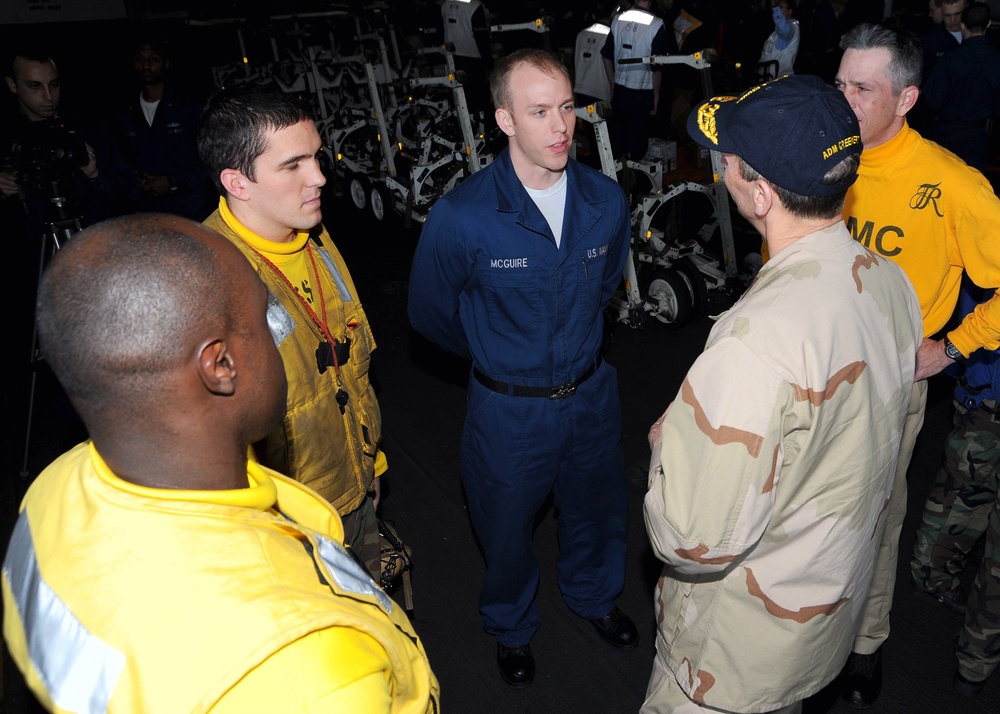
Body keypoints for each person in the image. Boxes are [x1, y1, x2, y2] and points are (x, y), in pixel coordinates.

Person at [1, 212, 440, 713]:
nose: (280, 337)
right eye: (267, 320)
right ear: (221, 366)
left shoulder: (53, 492)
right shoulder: (312, 672)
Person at [641, 73, 922, 714]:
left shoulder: (754, 342)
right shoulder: (891, 283)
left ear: (761, 193)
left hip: (727, 662)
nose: (721, 170)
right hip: (814, 629)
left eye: (730, 163)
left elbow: (692, 539)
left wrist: (667, 447)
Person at [407, 47, 636, 688]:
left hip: (591, 395)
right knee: (505, 527)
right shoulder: (463, 217)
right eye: (539, 112)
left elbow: (604, 290)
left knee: (597, 509)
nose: (561, 126)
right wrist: (499, 356)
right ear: (505, 120)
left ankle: (593, 598)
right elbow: (430, 317)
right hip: (508, 410)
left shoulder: (605, 200)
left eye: (566, 107)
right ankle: (511, 626)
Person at [833, 21, 1000, 709]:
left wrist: (953, 346)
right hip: (816, 367)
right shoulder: (824, 159)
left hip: (890, 382)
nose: (841, 102)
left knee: (874, 516)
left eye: (861, 89)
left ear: (905, 99)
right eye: (838, 83)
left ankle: (866, 644)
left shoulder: (954, 185)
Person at [196, 83, 388, 580]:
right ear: (237, 183)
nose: (320, 177)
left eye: (317, 158)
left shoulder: (315, 236)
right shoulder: (207, 281)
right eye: (293, 165)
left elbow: (352, 362)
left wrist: (372, 467)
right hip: (285, 527)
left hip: (353, 485)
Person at [910, 278, 1000, 699]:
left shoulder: (986, 215)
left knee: (959, 490)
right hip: (981, 376)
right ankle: (975, 665)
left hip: (982, 385)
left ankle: (930, 580)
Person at [111, 33, 216, 221]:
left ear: (165, 63)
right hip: (150, 210)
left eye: (153, 59)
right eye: (139, 59)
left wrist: (172, 182)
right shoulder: (124, 112)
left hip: (193, 207)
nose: (145, 66)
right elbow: (121, 159)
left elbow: (210, 159)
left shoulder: (188, 106)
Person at [919, 1, 1000, 174]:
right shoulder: (996, 60)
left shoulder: (949, 59)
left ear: (963, 25)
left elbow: (931, 101)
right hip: (978, 135)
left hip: (945, 132)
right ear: (988, 24)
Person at [601, 0, 676, 162]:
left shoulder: (618, 19)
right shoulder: (656, 25)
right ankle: (633, 180)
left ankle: (619, 178)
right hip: (642, 93)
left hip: (620, 90)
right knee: (637, 146)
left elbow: (606, 56)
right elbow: (657, 66)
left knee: (618, 141)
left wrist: (613, 83)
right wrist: (656, 98)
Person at [921, 0, 967, 82]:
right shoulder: (930, 40)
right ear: (942, 12)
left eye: (957, 14)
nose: (953, 20)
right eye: (947, 15)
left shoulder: (977, 34)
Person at [758, 0, 801, 80]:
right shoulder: (777, 32)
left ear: (790, 11)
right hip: (768, 79)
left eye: (780, 7)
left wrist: (774, 6)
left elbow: (784, 29)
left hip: (777, 80)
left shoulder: (791, 29)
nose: (777, 10)